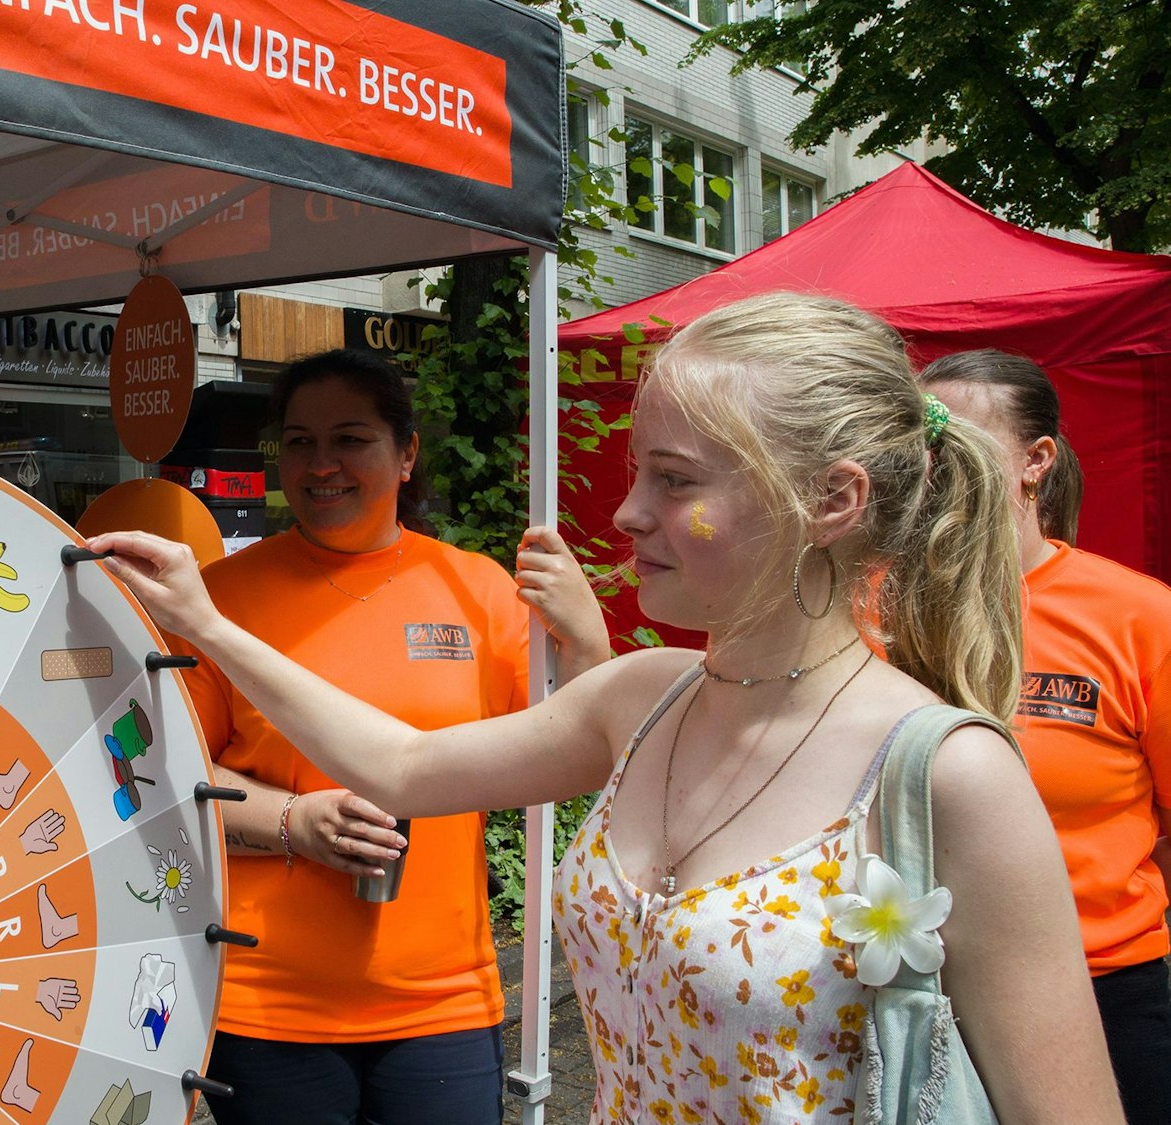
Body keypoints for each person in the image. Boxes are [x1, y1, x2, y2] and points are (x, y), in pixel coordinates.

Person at [94, 293, 1125, 1123]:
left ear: (830, 500)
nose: (627, 511)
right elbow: (404, 766)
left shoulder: (950, 776)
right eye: (638, 470)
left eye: (673, 480)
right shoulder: (643, 696)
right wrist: (211, 626)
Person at [173, 348, 610, 1125]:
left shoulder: (476, 589)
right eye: (300, 441)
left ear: (406, 453)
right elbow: (172, 780)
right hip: (266, 1000)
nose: (322, 464)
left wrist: (586, 643)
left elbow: (577, 751)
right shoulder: (219, 598)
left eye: (350, 438)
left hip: (441, 998)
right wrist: (291, 823)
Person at [921, 350, 1171, 1124]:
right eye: (917, 446)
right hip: (921, 990)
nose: (934, 467)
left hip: (1107, 989)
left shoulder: (1137, 616)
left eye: (956, 441)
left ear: (1036, 461)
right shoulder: (875, 610)